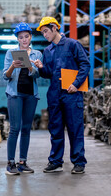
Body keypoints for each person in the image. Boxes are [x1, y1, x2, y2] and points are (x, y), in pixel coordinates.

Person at [33, 17, 90, 174]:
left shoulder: (72, 44)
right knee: (55, 129)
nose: (45, 35)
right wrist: (41, 67)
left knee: (75, 129)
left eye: (46, 31)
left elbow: (85, 64)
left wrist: (76, 84)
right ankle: (56, 161)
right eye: (42, 32)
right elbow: (48, 74)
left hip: (72, 94)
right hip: (55, 94)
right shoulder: (47, 51)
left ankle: (79, 162)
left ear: (54, 28)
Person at [2, 22, 42, 175]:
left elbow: (39, 75)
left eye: (26, 36)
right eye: (21, 37)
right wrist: (13, 66)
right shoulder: (10, 53)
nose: (24, 40)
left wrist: (31, 67)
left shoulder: (37, 54)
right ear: (17, 39)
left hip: (31, 95)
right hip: (15, 95)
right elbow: (5, 76)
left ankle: (22, 162)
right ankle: (10, 163)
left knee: (26, 128)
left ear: (31, 37)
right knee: (14, 129)